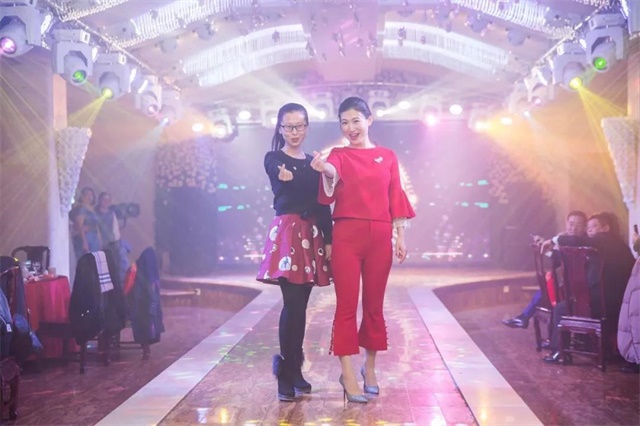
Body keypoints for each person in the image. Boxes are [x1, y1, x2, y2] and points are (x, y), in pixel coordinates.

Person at [311, 96, 415, 403]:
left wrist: (400, 235)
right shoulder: (339, 154)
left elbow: (395, 194)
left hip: (380, 237)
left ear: (369, 120)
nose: (350, 127)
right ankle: (347, 373)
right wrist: (324, 169)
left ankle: (369, 368)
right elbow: (333, 172)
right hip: (346, 236)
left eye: (356, 120)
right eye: (344, 122)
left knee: (374, 306)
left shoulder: (388, 156)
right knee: (346, 306)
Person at [256, 103, 333, 402]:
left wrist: (329, 239)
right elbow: (276, 173)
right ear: (280, 128)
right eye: (289, 127)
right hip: (288, 235)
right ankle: (285, 375)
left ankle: (295, 370)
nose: (294, 132)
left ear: (307, 127)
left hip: (311, 236)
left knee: (302, 307)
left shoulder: (314, 163)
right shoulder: (274, 158)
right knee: (292, 305)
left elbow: (322, 204)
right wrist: (282, 174)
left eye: (300, 126)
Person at [502, 210, 587, 330]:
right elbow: (557, 259)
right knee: (547, 288)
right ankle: (525, 318)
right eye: (571, 224)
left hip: (578, 286)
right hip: (564, 283)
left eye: (578, 225)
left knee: (547, 289)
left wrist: (554, 242)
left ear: (585, 227)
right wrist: (544, 248)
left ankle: (525, 318)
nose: (574, 228)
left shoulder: (583, 240)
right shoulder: (562, 238)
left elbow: (565, 256)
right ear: (566, 223)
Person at [70, 187, 102, 261]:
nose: (89, 197)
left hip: (94, 238)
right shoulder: (82, 208)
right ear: (82, 196)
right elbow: (79, 225)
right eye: (87, 194)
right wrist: (84, 241)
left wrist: (99, 239)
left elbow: (96, 225)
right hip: (86, 237)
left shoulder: (92, 209)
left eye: (91, 195)